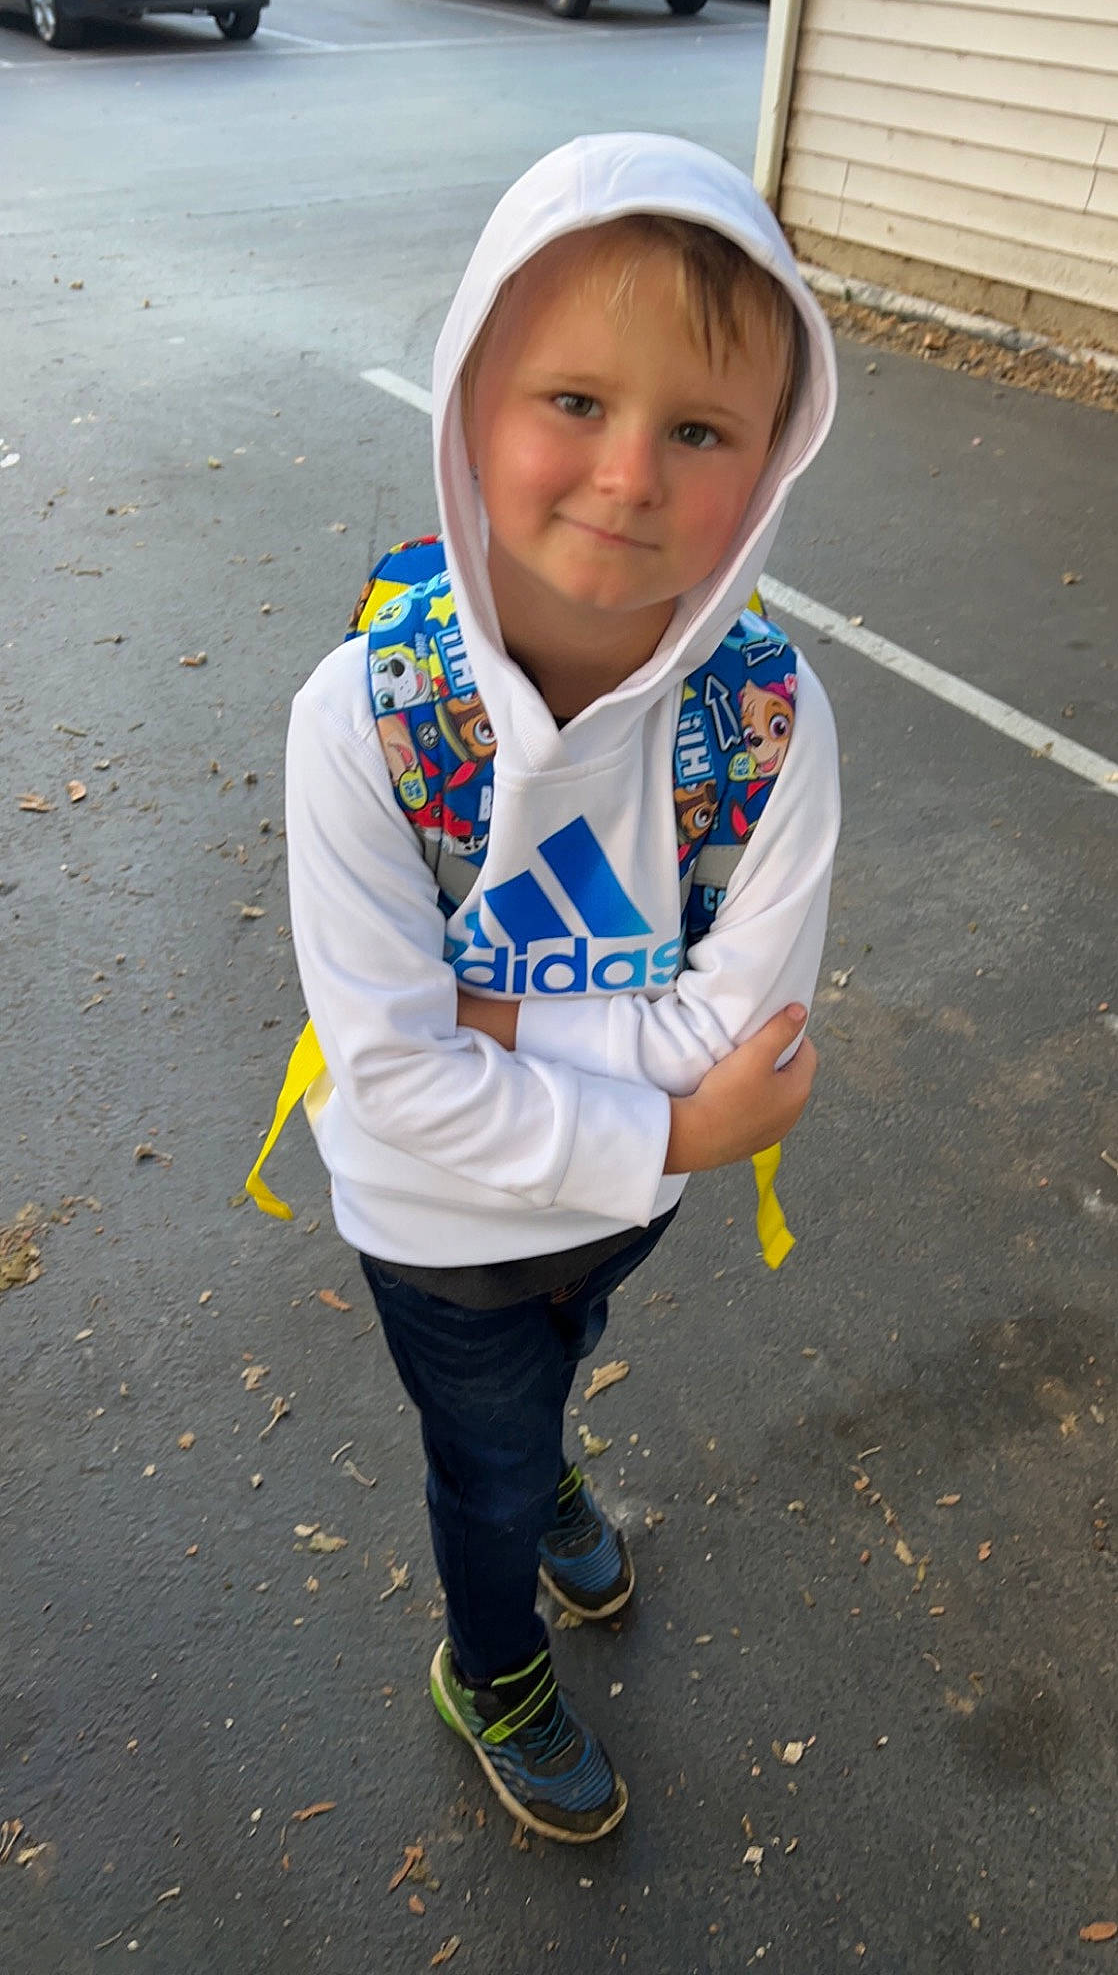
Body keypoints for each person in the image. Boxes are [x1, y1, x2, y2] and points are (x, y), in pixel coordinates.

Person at [283, 133, 840, 1843]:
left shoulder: (768, 724)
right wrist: (671, 1122)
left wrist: (497, 1020)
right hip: (435, 1234)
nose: (627, 474)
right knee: (482, 1459)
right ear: (468, 402)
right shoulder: (367, 719)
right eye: (574, 401)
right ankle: (491, 1664)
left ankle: (545, 1468)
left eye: (699, 430)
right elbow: (393, 1083)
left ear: (771, 460)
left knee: (565, 1353)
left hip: (615, 1214)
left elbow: (743, 1036)